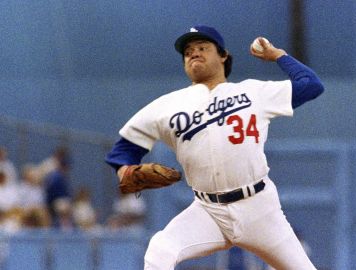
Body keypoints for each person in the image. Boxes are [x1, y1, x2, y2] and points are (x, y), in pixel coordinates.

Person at [105, 25, 324, 269]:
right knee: (160, 249)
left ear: (223, 56)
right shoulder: (166, 106)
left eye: (202, 48)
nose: (193, 53)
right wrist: (124, 171)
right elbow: (124, 148)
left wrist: (278, 55)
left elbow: (311, 85)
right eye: (188, 51)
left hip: (259, 208)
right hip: (208, 211)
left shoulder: (253, 92)